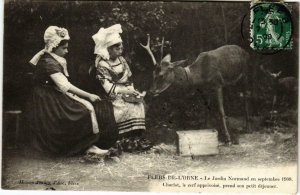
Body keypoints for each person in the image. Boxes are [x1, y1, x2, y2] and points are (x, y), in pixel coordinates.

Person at [28, 26, 110, 156]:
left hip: (52, 92)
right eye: (64, 48)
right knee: (82, 111)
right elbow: (65, 86)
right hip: (45, 98)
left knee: (83, 108)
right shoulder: (48, 62)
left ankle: (88, 145)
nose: (67, 51)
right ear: (54, 47)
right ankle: (81, 146)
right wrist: (89, 95)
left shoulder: (53, 58)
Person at [92, 24, 151, 152]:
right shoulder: (102, 65)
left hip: (126, 92)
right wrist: (126, 91)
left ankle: (135, 139)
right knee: (124, 107)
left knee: (138, 104)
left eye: (121, 45)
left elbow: (129, 79)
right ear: (108, 49)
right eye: (116, 46)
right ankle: (122, 139)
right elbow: (108, 88)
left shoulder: (122, 60)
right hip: (112, 95)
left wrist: (134, 92)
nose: (120, 48)